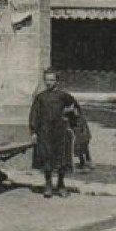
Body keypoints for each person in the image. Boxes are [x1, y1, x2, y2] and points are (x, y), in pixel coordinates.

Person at [29, 69, 78, 198]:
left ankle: (61, 185)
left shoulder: (64, 96)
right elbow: (34, 115)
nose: (49, 82)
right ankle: (48, 185)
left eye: (52, 80)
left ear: (57, 81)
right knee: (47, 157)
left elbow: (75, 108)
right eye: (47, 80)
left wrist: (70, 115)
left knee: (61, 158)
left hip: (61, 131)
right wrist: (33, 131)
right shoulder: (41, 97)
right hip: (45, 132)